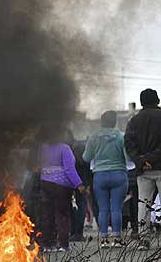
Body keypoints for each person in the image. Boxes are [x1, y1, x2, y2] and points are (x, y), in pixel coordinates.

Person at [83, 111, 130, 248]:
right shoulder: (121, 137)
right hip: (119, 174)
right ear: (114, 122)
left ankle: (103, 239)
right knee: (116, 208)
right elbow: (128, 158)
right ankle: (117, 239)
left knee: (103, 209)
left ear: (101, 122)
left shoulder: (94, 137)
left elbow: (86, 157)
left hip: (100, 176)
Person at [37, 126, 84, 252]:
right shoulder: (64, 148)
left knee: (47, 214)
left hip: (45, 183)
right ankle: (63, 244)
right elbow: (69, 169)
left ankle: (47, 244)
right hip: (61, 187)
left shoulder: (42, 148)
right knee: (62, 215)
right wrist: (79, 184)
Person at [125, 88, 161, 234]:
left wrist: (141, 160)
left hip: (143, 170)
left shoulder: (134, 121)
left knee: (143, 203)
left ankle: (144, 237)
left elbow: (128, 143)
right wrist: (151, 158)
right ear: (157, 100)